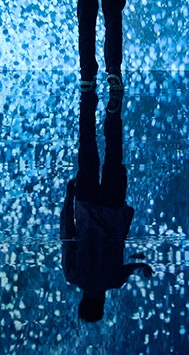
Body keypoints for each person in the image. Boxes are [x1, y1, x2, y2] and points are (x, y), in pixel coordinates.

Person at [60, 89, 152, 323]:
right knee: (87, 143)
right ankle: (88, 94)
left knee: (114, 150)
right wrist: (69, 197)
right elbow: (67, 233)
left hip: (112, 205)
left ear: (101, 304)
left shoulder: (114, 280)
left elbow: (136, 267)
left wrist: (143, 267)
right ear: (83, 301)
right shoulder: (73, 275)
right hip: (86, 202)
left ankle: (114, 108)